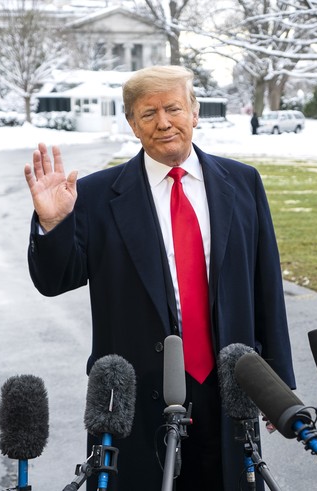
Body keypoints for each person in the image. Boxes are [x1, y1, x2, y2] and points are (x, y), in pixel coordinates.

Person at [23, 65, 295, 491]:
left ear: (195, 113)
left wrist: (277, 385)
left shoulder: (243, 183)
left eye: (173, 108)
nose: (163, 122)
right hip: (133, 399)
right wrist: (53, 225)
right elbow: (54, 280)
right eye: (148, 114)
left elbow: (266, 287)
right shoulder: (97, 194)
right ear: (132, 124)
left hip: (228, 390)